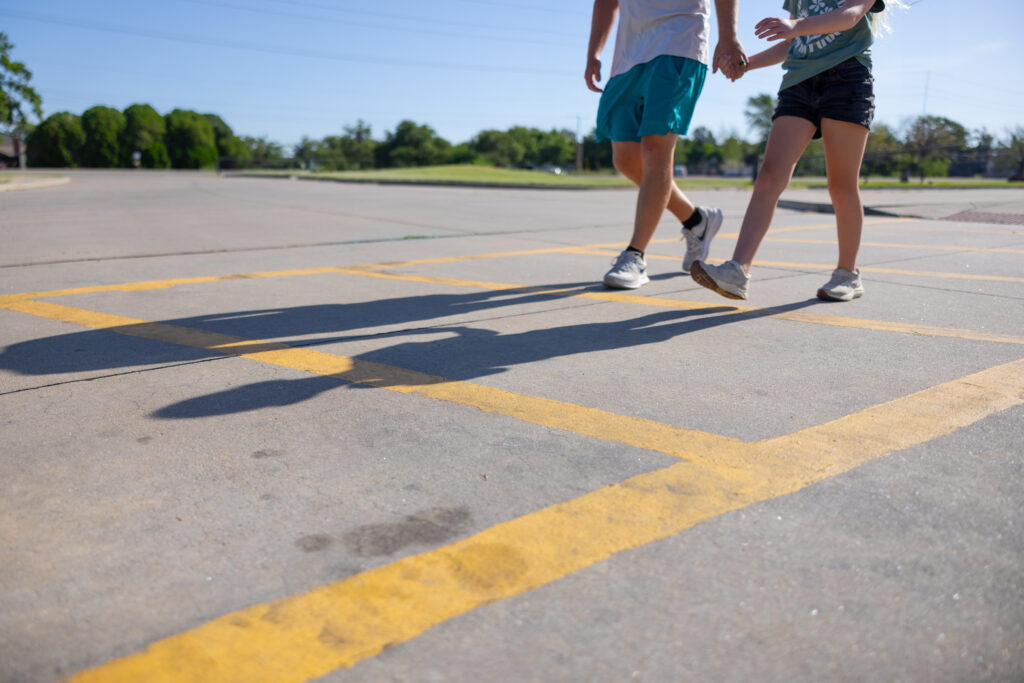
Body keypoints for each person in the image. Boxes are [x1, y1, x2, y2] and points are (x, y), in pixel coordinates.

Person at [691, 0, 902, 301]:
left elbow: (850, 16)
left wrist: (796, 26)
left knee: (841, 187)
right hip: (798, 84)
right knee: (769, 177)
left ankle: (847, 274)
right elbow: (794, 44)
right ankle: (738, 271)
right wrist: (746, 63)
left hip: (847, 79)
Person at [586, 0, 746, 289]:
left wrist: (729, 36)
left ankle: (635, 256)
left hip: (679, 39)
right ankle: (697, 220)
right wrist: (593, 53)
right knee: (625, 160)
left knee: (655, 150)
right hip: (627, 55)